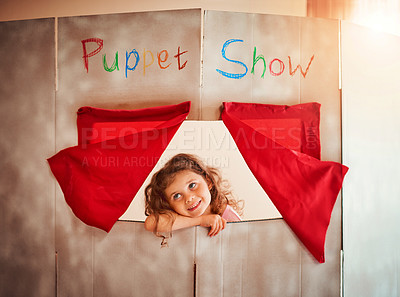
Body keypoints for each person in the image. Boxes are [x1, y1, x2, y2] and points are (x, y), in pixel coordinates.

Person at [144, 153, 242, 244]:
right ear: (168, 203)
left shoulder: (226, 215)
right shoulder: (176, 218)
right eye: (177, 196)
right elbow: (150, 223)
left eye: (192, 185)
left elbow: (244, 246)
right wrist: (200, 220)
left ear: (208, 182)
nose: (189, 198)